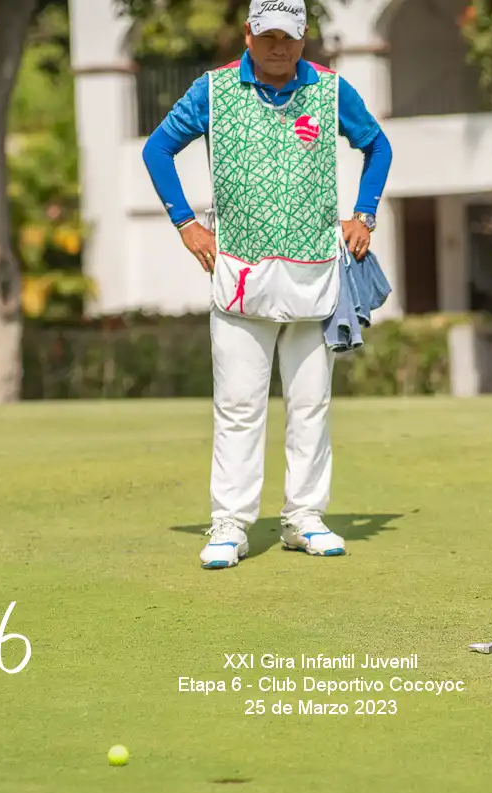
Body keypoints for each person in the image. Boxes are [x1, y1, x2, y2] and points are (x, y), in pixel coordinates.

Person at [141, 0, 393, 569]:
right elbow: (157, 149)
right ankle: (230, 524)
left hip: (314, 274)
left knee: (310, 405)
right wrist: (185, 223)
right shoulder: (213, 90)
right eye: (269, 36)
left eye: (290, 37)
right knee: (238, 406)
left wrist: (365, 214)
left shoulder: (330, 90)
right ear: (249, 35)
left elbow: (377, 145)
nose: (280, 47)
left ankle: (304, 517)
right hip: (240, 275)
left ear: (304, 39)